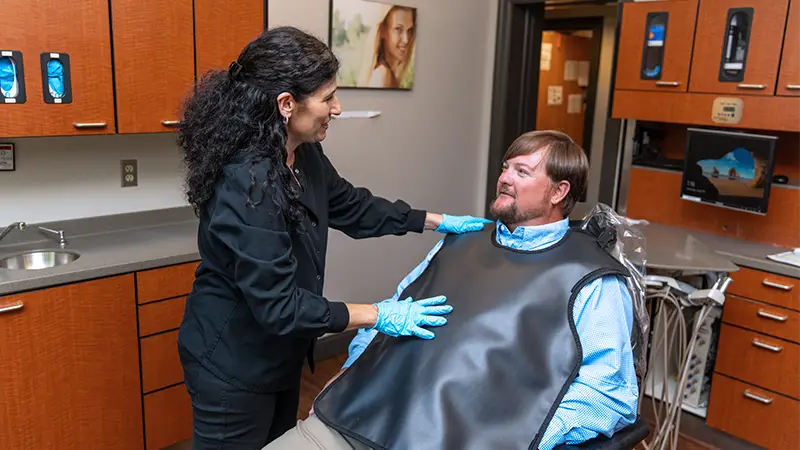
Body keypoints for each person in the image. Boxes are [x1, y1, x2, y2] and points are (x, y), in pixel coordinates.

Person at [176, 26, 490, 450]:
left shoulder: (302, 153)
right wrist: (380, 314)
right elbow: (280, 307)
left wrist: (434, 221)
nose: (337, 109)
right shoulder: (247, 182)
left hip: (280, 354)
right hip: (233, 361)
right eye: (328, 98)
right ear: (286, 104)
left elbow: (350, 206)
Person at [263, 130, 640, 450]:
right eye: (505, 167)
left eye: (522, 172)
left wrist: (525, 433)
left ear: (559, 191)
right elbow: (393, 313)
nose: (504, 178)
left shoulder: (591, 280)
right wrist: (351, 373)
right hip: (368, 412)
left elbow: (608, 394)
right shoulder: (462, 241)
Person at [358, 5, 416, 88]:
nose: (406, 40)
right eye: (398, 29)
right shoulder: (383, 75)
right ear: (383, 30)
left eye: (409, 30)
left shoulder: (385, 74)